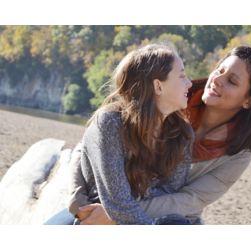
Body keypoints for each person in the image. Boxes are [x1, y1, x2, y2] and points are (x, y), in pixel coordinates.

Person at [66, 45, 251, 225]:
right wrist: (78, 196)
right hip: (106, 199)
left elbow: (189, 200)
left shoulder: (236, 154)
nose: (217, 79)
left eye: (232, 81)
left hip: (162, 216)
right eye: (219, 70)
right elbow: (91, 145)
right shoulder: (168, 99)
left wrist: (117, 213)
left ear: (249, 100)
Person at [45, 43, 194, 225]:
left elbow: (171, 191)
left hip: (138, 217)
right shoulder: (110, 124)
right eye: (182, 76)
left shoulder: (182, 133)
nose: (189, 83)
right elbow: (118, 204)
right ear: (158, 86)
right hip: (94, 214)